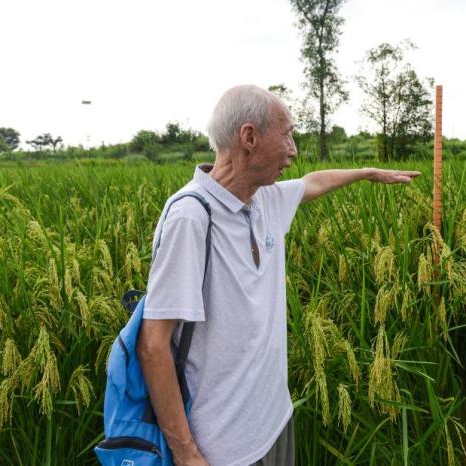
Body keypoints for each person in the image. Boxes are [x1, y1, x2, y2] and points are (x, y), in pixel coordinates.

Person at [136, 84, 421, 466]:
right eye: (286, 134)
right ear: (249, 137)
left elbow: (315, 181)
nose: (293, 149)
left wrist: (368, 172)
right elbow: (153, 345)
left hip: (275, 421)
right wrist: (187, 455)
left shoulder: (264, 199)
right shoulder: (191, 217)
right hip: (223, 449)